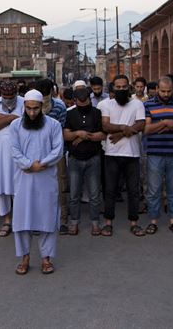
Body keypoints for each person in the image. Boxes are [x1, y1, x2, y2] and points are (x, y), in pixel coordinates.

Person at [10, 89, 64, 275]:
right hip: (23, 180)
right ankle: (24, 257)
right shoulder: (16, 125)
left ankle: (46, 258)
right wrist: (29, 164)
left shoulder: (54, 125)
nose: (32, 113)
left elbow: (58, 150)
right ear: (23, 107)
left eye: (35, 109)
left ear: (42, 107)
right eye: (28, 109)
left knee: (47, 218)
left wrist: (42, 163)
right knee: (22, 220)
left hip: (46, 179)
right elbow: (14, 150)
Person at [99, 75, 146, 236]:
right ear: (112, 88)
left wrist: (119, 134)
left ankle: (134, 223)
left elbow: (140, 124)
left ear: (129, 87)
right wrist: (124, 128)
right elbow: (105, 125)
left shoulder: (137, 104)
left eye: (124, 87)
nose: (121, 90)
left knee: (133, 191)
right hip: (112, 153)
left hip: (132, 154)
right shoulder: (106, 104)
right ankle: (108, 223)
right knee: (110, 190)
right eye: (118, 87)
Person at [143, 77, 173, 235]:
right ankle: (153, 221)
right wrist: (165, 123)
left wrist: (172, 125)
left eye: (169, 91)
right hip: (155, 153)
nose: (166, 94)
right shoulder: (148, 104)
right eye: (163, 91)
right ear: (157, 88)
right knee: (154, 190)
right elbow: (146, 129)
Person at [64, 87, 105, 235]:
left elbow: (102, 134)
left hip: (93, 157)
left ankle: (95, 223)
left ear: (89, 99)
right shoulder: (69, 114)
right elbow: (65, 135)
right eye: (80, 102)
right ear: (75, 101)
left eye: (85, 101)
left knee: (94, 194)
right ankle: (74, 223)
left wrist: (82, 136)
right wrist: (77, 133)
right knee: (74, 194)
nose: (83, 104)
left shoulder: (96, 113)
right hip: (75, 158)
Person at [0, 81, 24, 237]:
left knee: (20, 186)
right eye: (5, 96)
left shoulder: (23, 102)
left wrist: (3, 118)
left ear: (16, 93)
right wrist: (13, 118)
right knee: (2, 186)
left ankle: (21, 220)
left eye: (11, 96)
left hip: (19, 150)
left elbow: (25, 123)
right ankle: (7, 220)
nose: (8, 98)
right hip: (0, 152)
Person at [35, 78, 69, 233]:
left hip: (56, 151)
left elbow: (60, 132)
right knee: (37, 186)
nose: (43, 96)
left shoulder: (60, 107)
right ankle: (38, 220)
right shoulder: (31, 107)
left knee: (60, 184)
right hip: (36, 151)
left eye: (45, 93)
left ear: (52, 92)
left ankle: (62, 219)